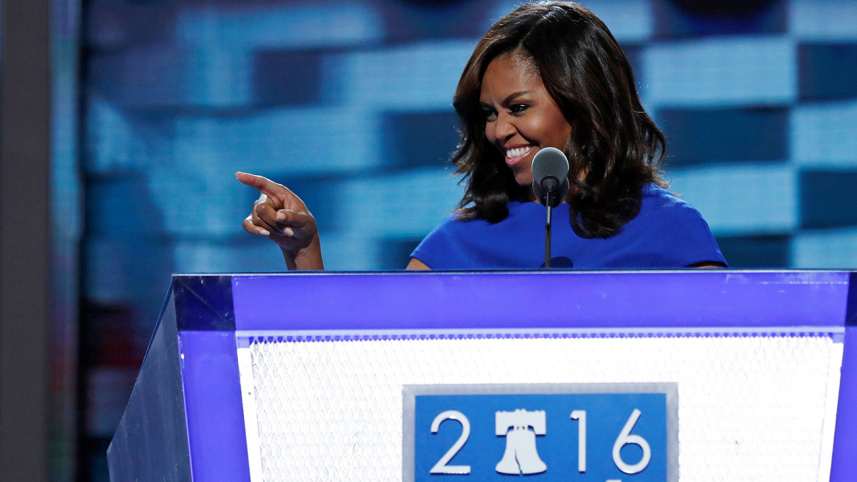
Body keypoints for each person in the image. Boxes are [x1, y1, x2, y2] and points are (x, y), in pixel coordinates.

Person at [237, 1, 726, 270]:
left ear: (586, 102)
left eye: (518, 108)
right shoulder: (459, 245)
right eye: (489, 113)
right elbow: (364, 370)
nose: (498, 130)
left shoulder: (672, 233)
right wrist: (303, 251)